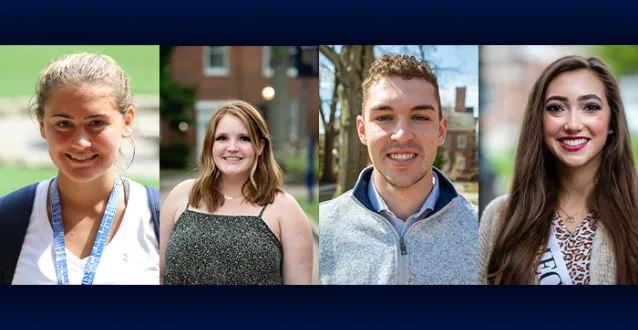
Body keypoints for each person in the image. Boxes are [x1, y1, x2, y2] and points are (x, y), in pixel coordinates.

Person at [0, 53, 160, 285]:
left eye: (96, 123)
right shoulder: (8, 220)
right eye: (63, 124)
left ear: (127, 122)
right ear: (42, 125)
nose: (81, 142)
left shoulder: (161, 221)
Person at [320, 54, 478, 285]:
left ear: (441, 131)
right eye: (384, 117)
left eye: (420, 117)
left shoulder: (483, 232)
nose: (402, 135)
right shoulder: (322, 228)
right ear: (362, 131)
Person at [480, 55, 638, 285]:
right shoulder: (501, 216)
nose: (573, 124)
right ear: (539, 121)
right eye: (556, 108)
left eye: (590, 107)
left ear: (612, 121)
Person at [160, 100, 313, 285]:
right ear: (211, 145)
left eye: (244, 138)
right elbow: (155, 274)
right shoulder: (182, 195)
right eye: (222, 138)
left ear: (260, 146)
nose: (232, 147)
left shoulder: (285, 208)